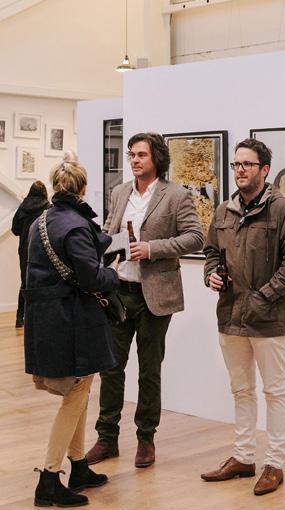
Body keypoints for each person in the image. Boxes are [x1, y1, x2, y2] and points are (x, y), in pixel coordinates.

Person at [86, 132, 203, 468]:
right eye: (132, 155)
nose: (134, 160)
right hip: (118, 292)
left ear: (157, 159)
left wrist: (152, 249)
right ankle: (106, 438)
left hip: (155, 296)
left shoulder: (176, 195)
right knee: (111, 368)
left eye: (141, 155)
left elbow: (196, 237)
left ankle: (146, 439)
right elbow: (108, 231)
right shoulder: (119, 192)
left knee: (149, 371)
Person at [202, 139, 285, 496]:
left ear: (264, 170)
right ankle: (243, 456)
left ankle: (274, 464)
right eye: (236, 164)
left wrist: (263, 297)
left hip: (267, 318)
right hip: (230, 315)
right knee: (241, 390)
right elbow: (211, 251)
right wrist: (211, 274)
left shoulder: (282, 210)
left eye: (247, 164)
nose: (240, 170)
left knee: (274, 391)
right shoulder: (223, 211)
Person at [24, 153, 120, 508]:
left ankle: (78, 466)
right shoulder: (76, 226)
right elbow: (92, 278)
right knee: (76, 395)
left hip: (48, 318)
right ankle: (49, 479)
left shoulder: (40, 222)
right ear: (83, 189)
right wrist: (113, 273)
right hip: (74, 321)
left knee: (80, 392)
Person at [11, 180, 50, 328]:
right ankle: (38, 318)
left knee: (25, 283)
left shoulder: (22, 207)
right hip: (41, 249)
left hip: (24, 250)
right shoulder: (48, 208)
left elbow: (15, 230)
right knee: (42, 282)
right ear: (44, 192)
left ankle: (19, 318)